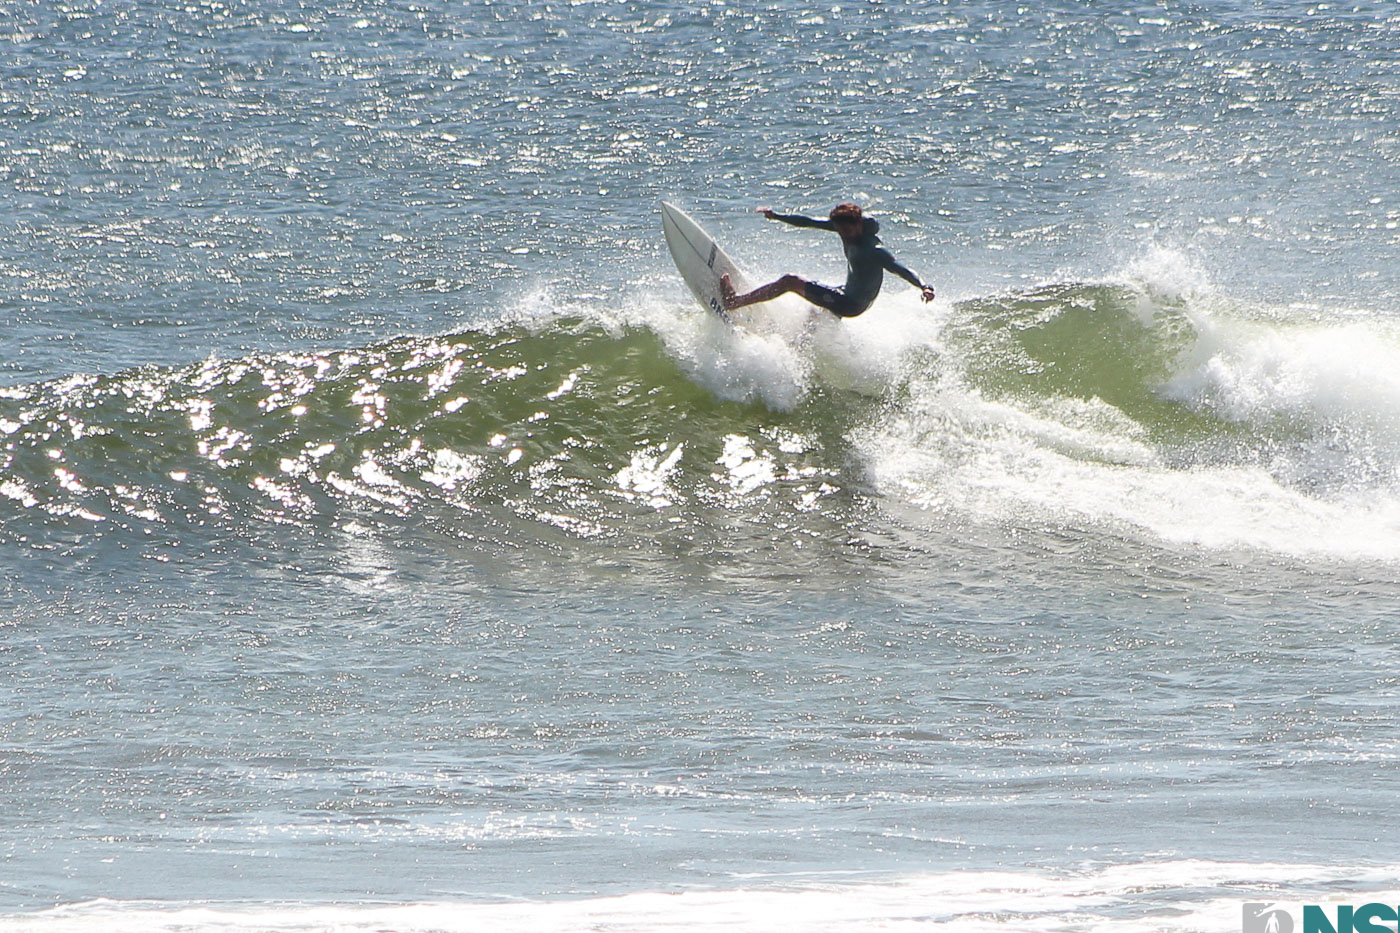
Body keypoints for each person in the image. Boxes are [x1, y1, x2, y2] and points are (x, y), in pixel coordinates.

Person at [720, 202, 936, 318]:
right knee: (816, 311)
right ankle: (803, 349)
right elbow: (808, 222)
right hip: (850, 294)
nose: (842, 234)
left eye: (846, 230)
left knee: (790, 281)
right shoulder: (845, 225)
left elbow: (899, 268)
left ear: (859, 225)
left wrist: (922, 286)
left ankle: (734, 303)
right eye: (839, 229)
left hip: (851, 303)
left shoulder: (872, 249)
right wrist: (776, 216)